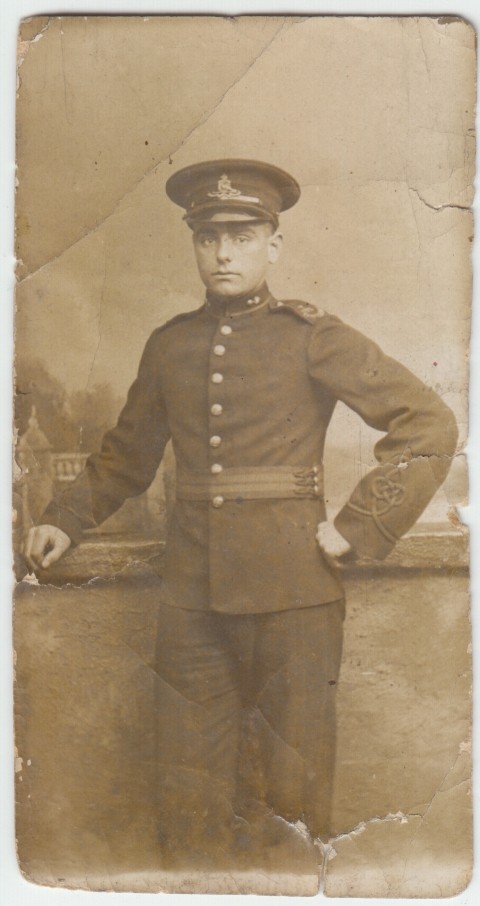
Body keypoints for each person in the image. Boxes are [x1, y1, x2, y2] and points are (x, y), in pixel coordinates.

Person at [25, 159, 458, 867]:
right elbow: (127, 457)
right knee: (184, 799)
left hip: (296, 597)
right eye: (209, 238)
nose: (225, 253)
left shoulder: (311, 335)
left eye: (243, 235)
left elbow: (429, 424)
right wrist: (65, 518)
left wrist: (358, 528)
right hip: (192, 599)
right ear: (194, 244)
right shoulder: (171, 346)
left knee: (293, 798)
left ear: (273, 246)